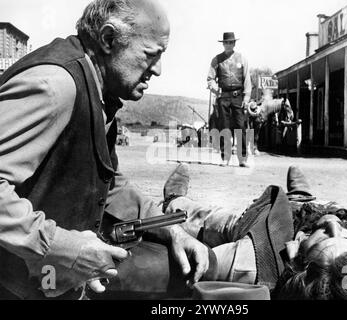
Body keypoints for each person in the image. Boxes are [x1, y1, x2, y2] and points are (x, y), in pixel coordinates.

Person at [0, 0, 211, 299]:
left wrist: (170, 229)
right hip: (16, 283)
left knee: (181, 264)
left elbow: (107, 182)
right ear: (109, 39)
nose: (159, 70)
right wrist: (60, 246)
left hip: (45, 278)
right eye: (151, 55)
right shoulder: (56, 85)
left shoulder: (99, 91)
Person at [163, 164, 347, 300]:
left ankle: (175, 200)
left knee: (217, 220)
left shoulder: (249, 263)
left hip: (271, 224)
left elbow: (200, 265)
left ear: (298, 252)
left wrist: (175, 225)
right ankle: (302, 197)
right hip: (317, 213)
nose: (335, 225)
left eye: (326, 238)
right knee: (321, 208)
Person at [207, 32, 252, 168]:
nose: (228, 44)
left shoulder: (242, 59)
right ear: (223, 44)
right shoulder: (216, 60)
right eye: (226, 42)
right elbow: (210, 79)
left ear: (234, 43)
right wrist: (216, 89)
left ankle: (242, 159)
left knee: (240, 126)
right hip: (223, 96)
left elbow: (247, 79)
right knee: (224, 127)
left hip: (238, 96)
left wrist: (247, 96)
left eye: (231, 42)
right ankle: (225, 157)